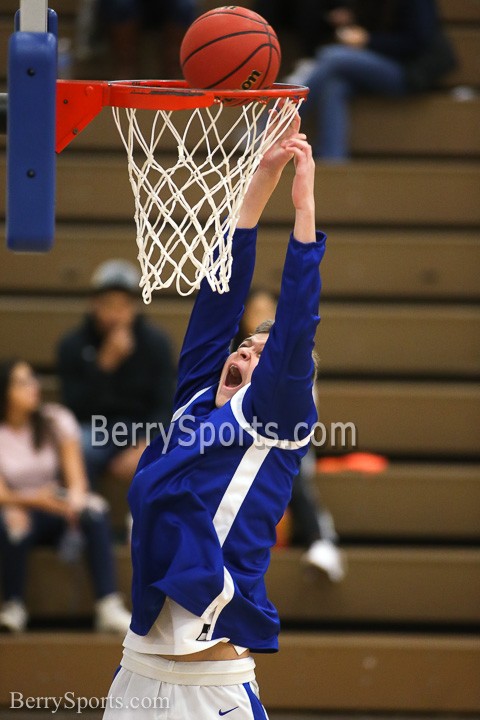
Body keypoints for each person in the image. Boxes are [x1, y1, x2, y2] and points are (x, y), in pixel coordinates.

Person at [103, 115, 325, 718]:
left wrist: (302, 207)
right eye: (244, 345)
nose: (247, 351)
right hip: (136, 671)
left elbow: (297, 324)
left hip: (208, 687)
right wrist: (258, 183)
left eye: (262, 353)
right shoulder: (195, 401)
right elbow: (218, 295)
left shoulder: (274, 418)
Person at [0, 359, 130, 633]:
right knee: (12, 522)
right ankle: (13, 605)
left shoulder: (55, 419)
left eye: (33, 379)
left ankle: (108, 604)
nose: (34, 387)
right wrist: (37, 499)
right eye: (23, 382)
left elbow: (77, 480)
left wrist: (72, 503)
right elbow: (3, 495)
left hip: (55, 508)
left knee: (94, 510)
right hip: (20, 508)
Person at [234, 289, 346, 582]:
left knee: (289, 470)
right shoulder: (235, 358)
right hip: (237, 441)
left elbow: (304, 421)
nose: (263, 318)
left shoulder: (298, 362)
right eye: (256, 312)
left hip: (285, 441)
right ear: (244, 320)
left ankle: (321, 541)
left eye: (269, 311)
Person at [57, 260, 175, 490]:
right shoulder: (72, 344)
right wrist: (103, 366)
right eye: (109, 305)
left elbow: (164, 405)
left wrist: (146, 443)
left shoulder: (156, 343)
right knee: (80, 446)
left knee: (170, 450)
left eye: (123, 306)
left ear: (135, 308)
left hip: (140, 429)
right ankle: (87, 517)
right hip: (95, 429)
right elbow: (73, 408)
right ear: (94, 305)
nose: (116, 315)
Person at [288, 0, 444, 160]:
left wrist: (368, 40)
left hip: (409, 71)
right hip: (374, 63)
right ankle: (332, 159)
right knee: (334, 86)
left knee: (333, 56)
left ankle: (276, 125)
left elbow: (418, 42)